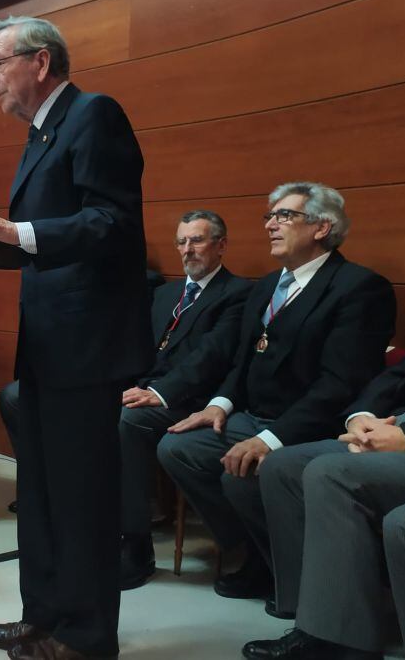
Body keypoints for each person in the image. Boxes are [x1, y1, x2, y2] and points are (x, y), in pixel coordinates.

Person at [0, 15, 150, 660]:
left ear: (40, 62)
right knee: (39, 492)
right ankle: (44, 615)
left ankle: (87, 639)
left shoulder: (94, 115)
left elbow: (111, 222)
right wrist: (8, 233)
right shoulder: (41, 135)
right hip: (48, 345)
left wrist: (17, 233)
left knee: (81, 497)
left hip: (87, 346)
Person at [157, 182, 396, 602]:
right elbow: (242, 361)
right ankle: (255, 550)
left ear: (323, 227)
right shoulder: (266, 286)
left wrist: (270, 438)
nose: (271, 225)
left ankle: (293, 581)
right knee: (180, 449)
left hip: (310, 425)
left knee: (244, 473)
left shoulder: (358, 288)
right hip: (252, 414)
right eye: (270, 216)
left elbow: (340, 385)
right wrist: (219, 404)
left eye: (285, 216)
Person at [241, 237, 405, 660]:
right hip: (404, 427)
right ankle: (310, 613)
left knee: (332, 473)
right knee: (285, 465)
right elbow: (398, 375)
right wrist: (360, 415)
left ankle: (339, 639)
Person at [118, 210, 252, 589]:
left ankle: (137, 545)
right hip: (148, 388)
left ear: (221, 245)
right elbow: (138, 346)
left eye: (197, 240)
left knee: (130, 421)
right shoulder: (165, 293)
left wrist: (160, 393)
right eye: (182, 241)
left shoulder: (238, 293)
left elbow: (211, 357)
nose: (187, 249)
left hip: (192, 399)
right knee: (93, 410)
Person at [0, 269, 172, 518]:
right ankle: (43, 489)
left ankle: (93, 500)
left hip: (112, 374)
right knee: (13, 397)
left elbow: (127, 337)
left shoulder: (142, 280)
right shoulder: (69, 276)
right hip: (70, 368)